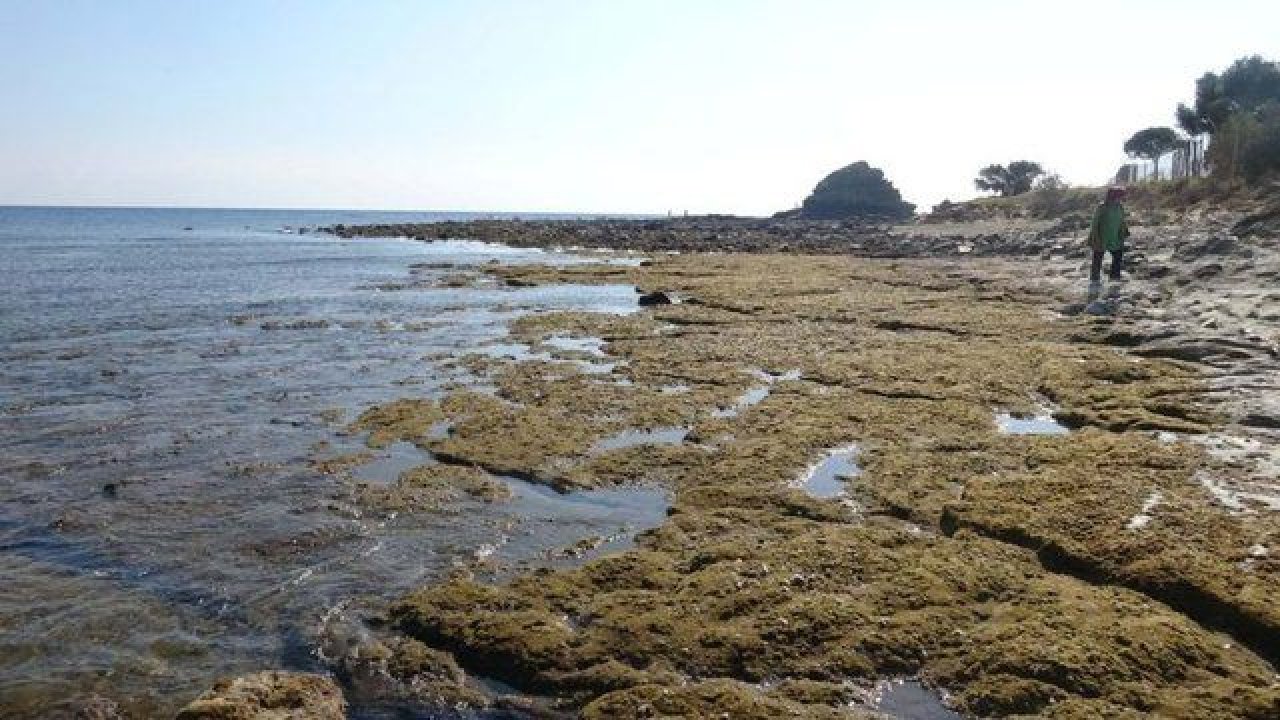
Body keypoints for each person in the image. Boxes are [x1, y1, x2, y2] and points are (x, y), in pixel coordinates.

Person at [1087, 186, 1130, 285]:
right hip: (1101, 237)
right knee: (1097, 258)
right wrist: (1095, 238)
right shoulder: (1102, 207)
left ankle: (1114, 278)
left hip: (1115, 237)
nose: (1122, 198)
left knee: (1118, 256)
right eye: (1120, 195)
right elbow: (1094, 223)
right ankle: (1094, 280)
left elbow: (1122, 221)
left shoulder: (1120, 207)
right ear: (1114, 195)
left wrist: (1125, 231)